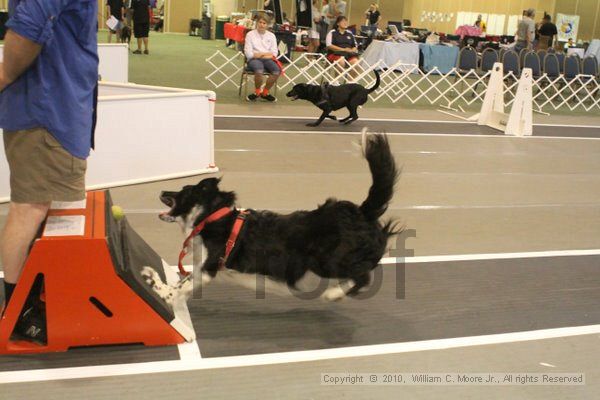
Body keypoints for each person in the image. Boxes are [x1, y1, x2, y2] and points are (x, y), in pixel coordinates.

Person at [0, 0, 98, 343]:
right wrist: (6, 74)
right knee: (30, 208)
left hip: (51, 106)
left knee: (38, 209)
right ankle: (19, 310)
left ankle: (30, 296)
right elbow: (30, 22)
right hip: (47, 110)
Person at [244, 15, 280, 102]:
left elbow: (274, 53)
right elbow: (248, 54)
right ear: (257, 23)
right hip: (253, 60)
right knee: (259, 69)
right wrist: (265, 54)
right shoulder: (250, 34)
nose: (262, 25)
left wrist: (259, 54)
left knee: (276, 71)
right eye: (260, 22)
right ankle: (257, 92)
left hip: (268, 59)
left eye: (264, 23)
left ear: (267, 25)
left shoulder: (272, 36)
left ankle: (265, 93)